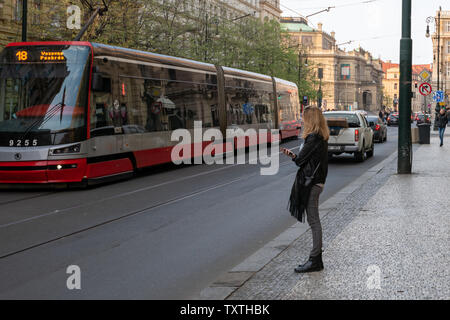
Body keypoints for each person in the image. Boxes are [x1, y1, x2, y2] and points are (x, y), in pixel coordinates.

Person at [281, 106, 329, 273]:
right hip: (318, 182)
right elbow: (304, 159)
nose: (302, 120)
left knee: (314, 221)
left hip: (312, 183)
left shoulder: (313, 138)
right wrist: (294, 156)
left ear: (311, 120)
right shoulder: (321, 137)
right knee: (314, 220)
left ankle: (315, 260)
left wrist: (295, 157)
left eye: (304, 118)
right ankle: (317, 260)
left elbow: (301, 161)